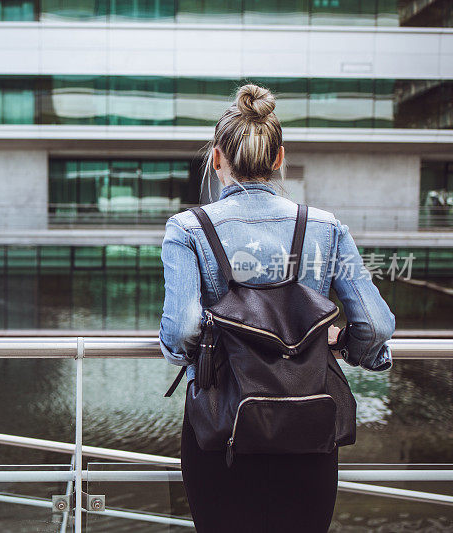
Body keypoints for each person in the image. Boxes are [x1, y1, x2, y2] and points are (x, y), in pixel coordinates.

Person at [159, 83, 395, 532]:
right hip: (309, 420)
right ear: (278, 158)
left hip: (221, 426)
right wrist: (345, 344)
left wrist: (207, 347)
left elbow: (183, 329)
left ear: (216, 159)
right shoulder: (325, 227)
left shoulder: (187, 229)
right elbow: (377, 326)